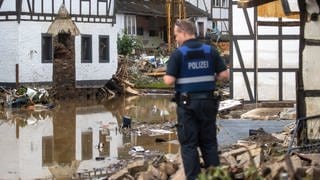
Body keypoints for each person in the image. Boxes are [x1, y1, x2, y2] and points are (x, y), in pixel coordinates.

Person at [163, 19, 229, 180]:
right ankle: (215, 177)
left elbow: (169, 80)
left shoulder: (179, 54)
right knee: (209, 143)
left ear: (184, 33)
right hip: (208, 103)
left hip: (187, 105)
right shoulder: (210, 50)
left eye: (176, 35)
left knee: (189, 145)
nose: (175, 39)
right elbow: (224, 75)